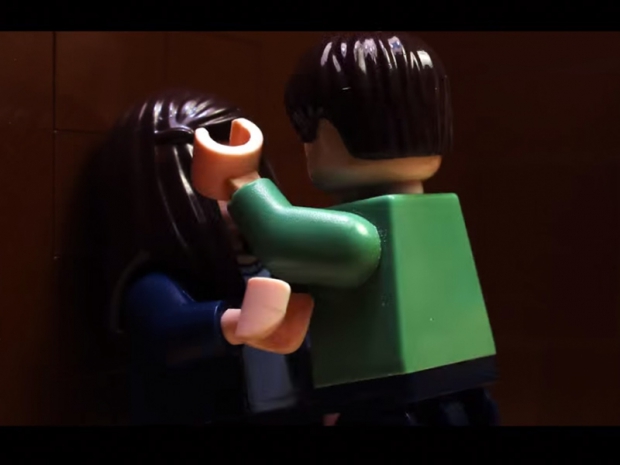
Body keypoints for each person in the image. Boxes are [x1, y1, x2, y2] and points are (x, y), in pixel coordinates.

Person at [192, 32, 500, 425]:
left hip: (391, 404)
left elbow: (281, 238)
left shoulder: (363, 233)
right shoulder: (437, 214)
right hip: (462, 385)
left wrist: (242, 180)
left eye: (308, 135)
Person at [95, 90, 314, 425]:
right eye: (221, 182)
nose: (243, 191)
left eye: (250, 173)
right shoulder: (161, 280)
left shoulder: (277, 263)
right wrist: (235, 323)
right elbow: (166, 332)